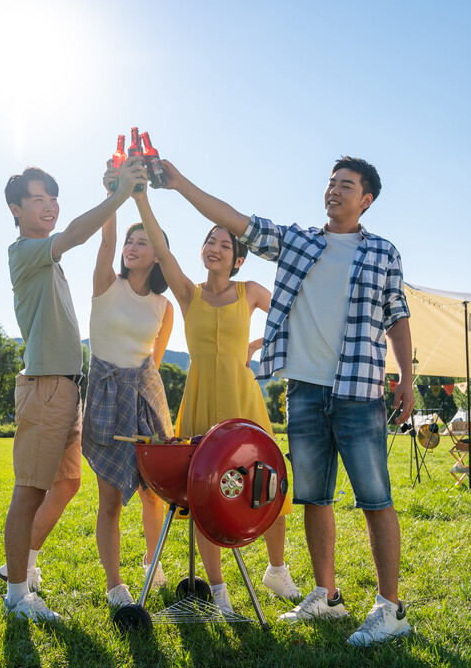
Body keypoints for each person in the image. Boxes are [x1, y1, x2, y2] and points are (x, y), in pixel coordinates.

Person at [159, 156, 415, 646]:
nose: (334, 191)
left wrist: (405, 374)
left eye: (347, 185)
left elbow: (396, 315)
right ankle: (326, 595)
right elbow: (239, 221)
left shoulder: (384, 252)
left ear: (367, 199)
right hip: (305, 390)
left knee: (375, 499)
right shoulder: (300, 242)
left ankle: (390, 607)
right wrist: (178, 184)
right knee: (313, 498)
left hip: (360, 391)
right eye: (331, 183)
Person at [133, 187, 301, 615]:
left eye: (226, 244)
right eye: (210, 240)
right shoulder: (189, 295)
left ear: (238, 259)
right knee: (204, 496)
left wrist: (257, 345)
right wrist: (140, 200)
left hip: (244, 401)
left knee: (269, 489)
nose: (216, 247)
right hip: (200, 403)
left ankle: (276, 570)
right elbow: (162, 252)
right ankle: (220, 593)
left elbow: (292, 317)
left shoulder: (251, 291)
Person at [0, 160, 145, 623]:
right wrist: (121, 193)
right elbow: (81, 233)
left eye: (52, 198)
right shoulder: (26, 250)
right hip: (45, 388)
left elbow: (80, 233)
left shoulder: (48, 256)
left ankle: (20, 567)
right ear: (16, 209)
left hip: (68, 389)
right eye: (38, 199)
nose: (49, 205)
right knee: (29, 490)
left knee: (65, 484)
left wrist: (113, 191)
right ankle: (19, 596)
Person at [82, 177, 175, 608]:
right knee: (112, 498)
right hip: (103, 393)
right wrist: (114, 194)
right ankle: (115, 585)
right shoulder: (106, 283)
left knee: (155, 490)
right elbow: (106, 243)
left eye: (143, 241)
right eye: (129, 241)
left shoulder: (163, 306)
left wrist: (145, 401)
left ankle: (152, 563)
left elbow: (153, 360)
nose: (131, 247)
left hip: (145, 395)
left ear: (157, 253)